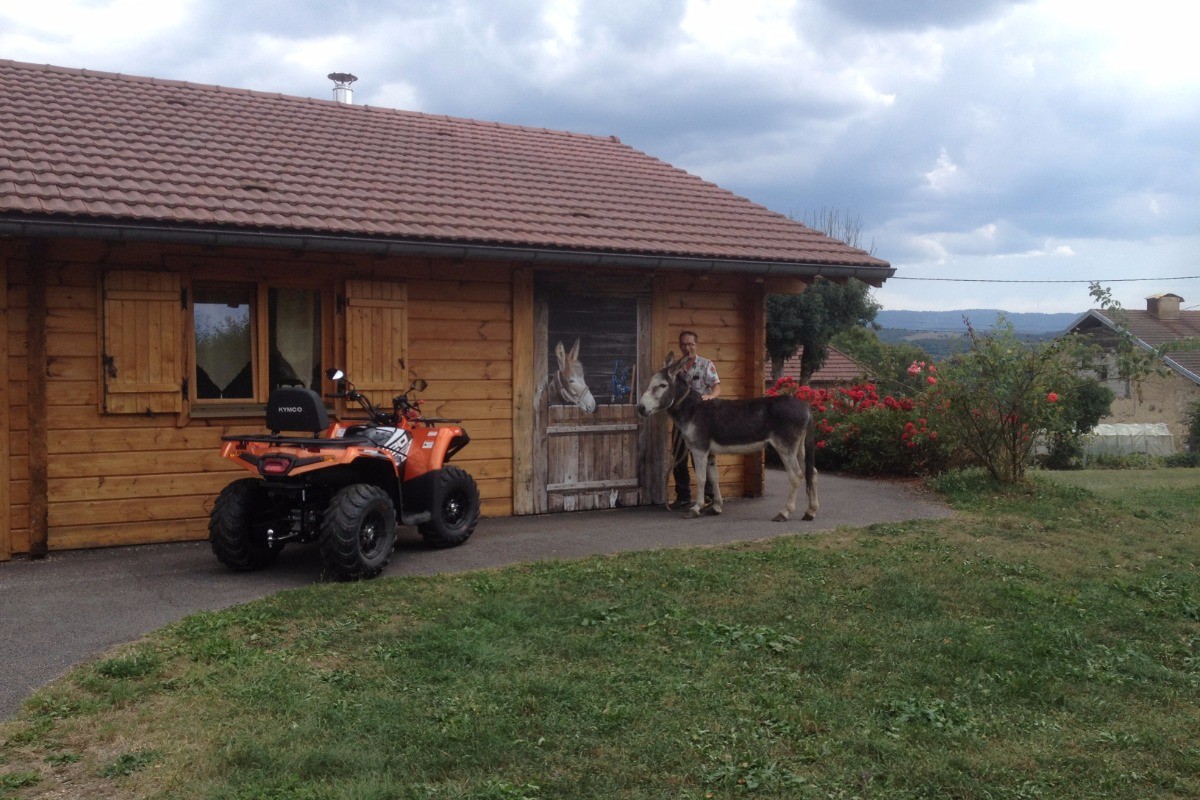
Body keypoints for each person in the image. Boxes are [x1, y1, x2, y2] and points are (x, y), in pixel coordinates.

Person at [669, 330, 721, 510]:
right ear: (680, 346)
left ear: (696, 345)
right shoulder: (675, 368)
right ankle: (683, 496)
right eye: (683, 344)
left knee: (700, 458)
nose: (687, 347)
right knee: (678, 458)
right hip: (681, 421)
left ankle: (708, 496)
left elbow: (717, 388)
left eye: (690, 344)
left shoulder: (706, 364)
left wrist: (710, 397)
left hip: (701, 420)